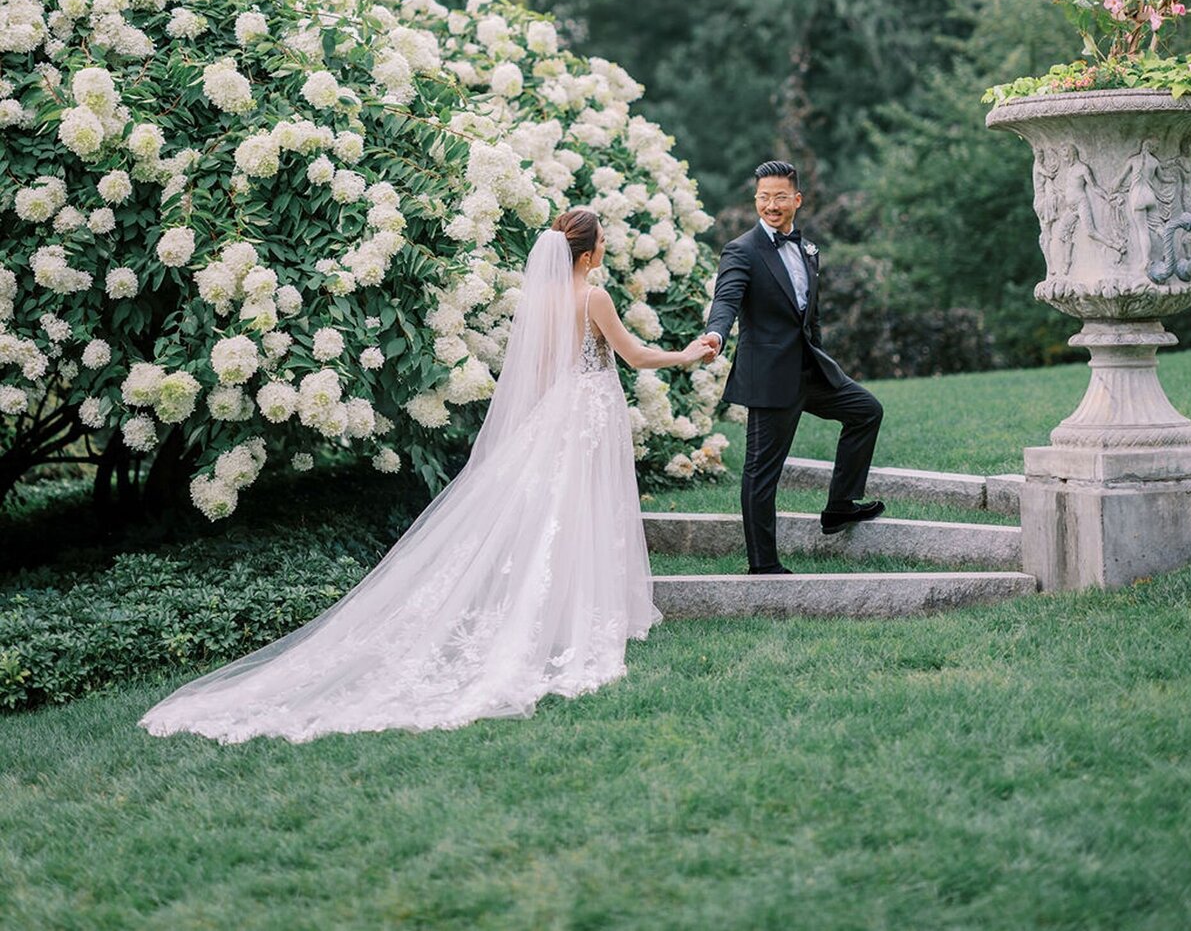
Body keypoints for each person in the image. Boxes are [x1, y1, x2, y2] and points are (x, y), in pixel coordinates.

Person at [139, 209, 712, 742]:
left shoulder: (543, 302)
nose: (605, 249)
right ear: (587, 254)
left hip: (561, 411)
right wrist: (689, 355)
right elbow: (634, 357)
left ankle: (564, 613)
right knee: (578, 510)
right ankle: (574, 619)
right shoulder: (593, 297)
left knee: (557, 512)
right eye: (603, 242)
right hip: (588, 411)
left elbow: (538, 372)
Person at [699, 160, 884, 575]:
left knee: (866, 411)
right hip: (768, 377)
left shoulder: (806, 248)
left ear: (797, 200)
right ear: (756, 201)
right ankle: (763, 563)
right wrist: (716, 334)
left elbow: (808, 314)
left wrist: (819, 355)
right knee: (762, 472)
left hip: (811, 370)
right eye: (764, 197)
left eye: (780, 197)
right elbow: (726, 300)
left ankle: (839, 507)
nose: (771, 205)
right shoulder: (741, 250)